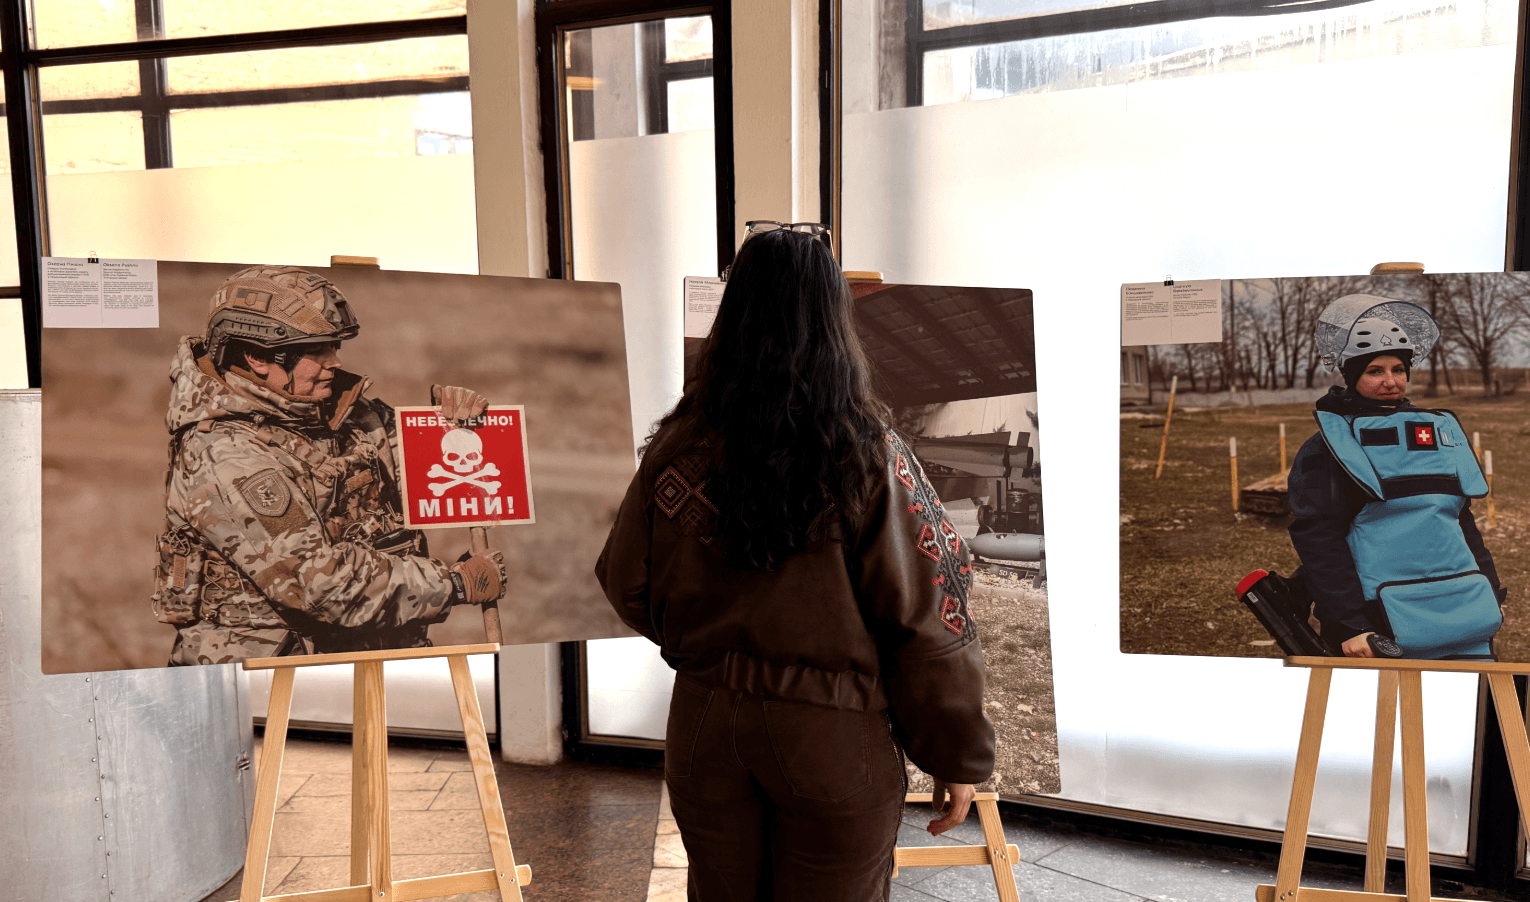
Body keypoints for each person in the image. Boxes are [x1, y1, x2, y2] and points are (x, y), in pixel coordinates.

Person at [595, 224, 995, 901]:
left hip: (704, 728)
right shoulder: (871, 456)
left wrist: (709, 650)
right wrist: (958, 755)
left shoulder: (677, 446)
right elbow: (928, 619)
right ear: (835, 323)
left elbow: (623, 579)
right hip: (831, 736)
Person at [152, 265, 508, 665]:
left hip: (369, 657)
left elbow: (444, 485)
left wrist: (452, 426)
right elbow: (324, 586)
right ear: (257, 357)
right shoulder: (226, 454)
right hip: (272, 676)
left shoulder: (344, 413)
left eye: (335, 346)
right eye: (317, 350)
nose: (335, 361)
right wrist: (455, 584)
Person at [1287, 294, 1503, 660]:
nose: (1390, 381)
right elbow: (1320, 541)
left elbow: (1459, 519)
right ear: (1352, 376)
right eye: (1375, 371)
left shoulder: (1436, 433)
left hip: (1464, 606)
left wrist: (1492, 592)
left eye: (1398, 369)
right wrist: (1350, 625)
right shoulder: (1330, 445)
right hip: (1377, 621)